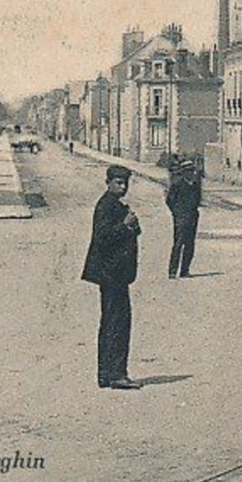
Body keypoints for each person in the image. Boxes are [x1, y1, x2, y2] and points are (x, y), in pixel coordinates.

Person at [81, 165, 143, 390]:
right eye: (118, 182)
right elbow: (103, 238)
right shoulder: (106, 206)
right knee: (117, 323)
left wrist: (132, 226)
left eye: (125, 183)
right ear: (108, 182)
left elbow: (131, 232)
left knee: (112, 322)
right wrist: (125, 225)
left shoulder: (115, 205)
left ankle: (107, 373)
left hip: (116, 274)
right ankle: (115, 373)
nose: (123, 186)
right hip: (112, 274)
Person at [165, 156, 202, 279]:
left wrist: (194, 210)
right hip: (180, 218)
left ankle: (185, 271)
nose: (191, 173)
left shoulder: (195, 185)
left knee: (190, 244)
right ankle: (172, 271)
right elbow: (169, 200)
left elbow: (198, 199)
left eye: (192, 171)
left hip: (192, 216)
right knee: (178, 244)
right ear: (184, 172)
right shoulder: (177, 184)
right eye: (188, 171)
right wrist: (176, 213)